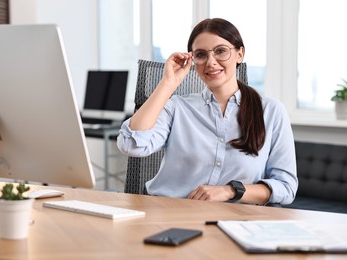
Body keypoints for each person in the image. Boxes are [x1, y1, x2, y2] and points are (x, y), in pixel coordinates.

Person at [117, 18, 298, 205]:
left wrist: (231, 190)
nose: (211, 62)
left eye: (220, 51)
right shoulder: (177, 107)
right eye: (201, 55)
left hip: (234, 221)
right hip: (169, 213)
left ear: (240, 54)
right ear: (193, 60)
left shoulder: (271, 112)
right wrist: (168, 83)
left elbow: (285, 187)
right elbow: (131, 145)